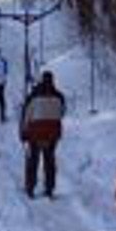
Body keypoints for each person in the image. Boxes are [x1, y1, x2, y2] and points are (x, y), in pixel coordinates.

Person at [19, 70, 67, 198]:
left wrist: (23, 132)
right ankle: (49, 188)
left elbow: (26, 115)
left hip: (35, 132)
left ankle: (30, 187)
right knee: (49, 159)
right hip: (52, 133)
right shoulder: (59, 96)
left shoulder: (33, 96)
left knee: (33, 159)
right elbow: (62, 113)